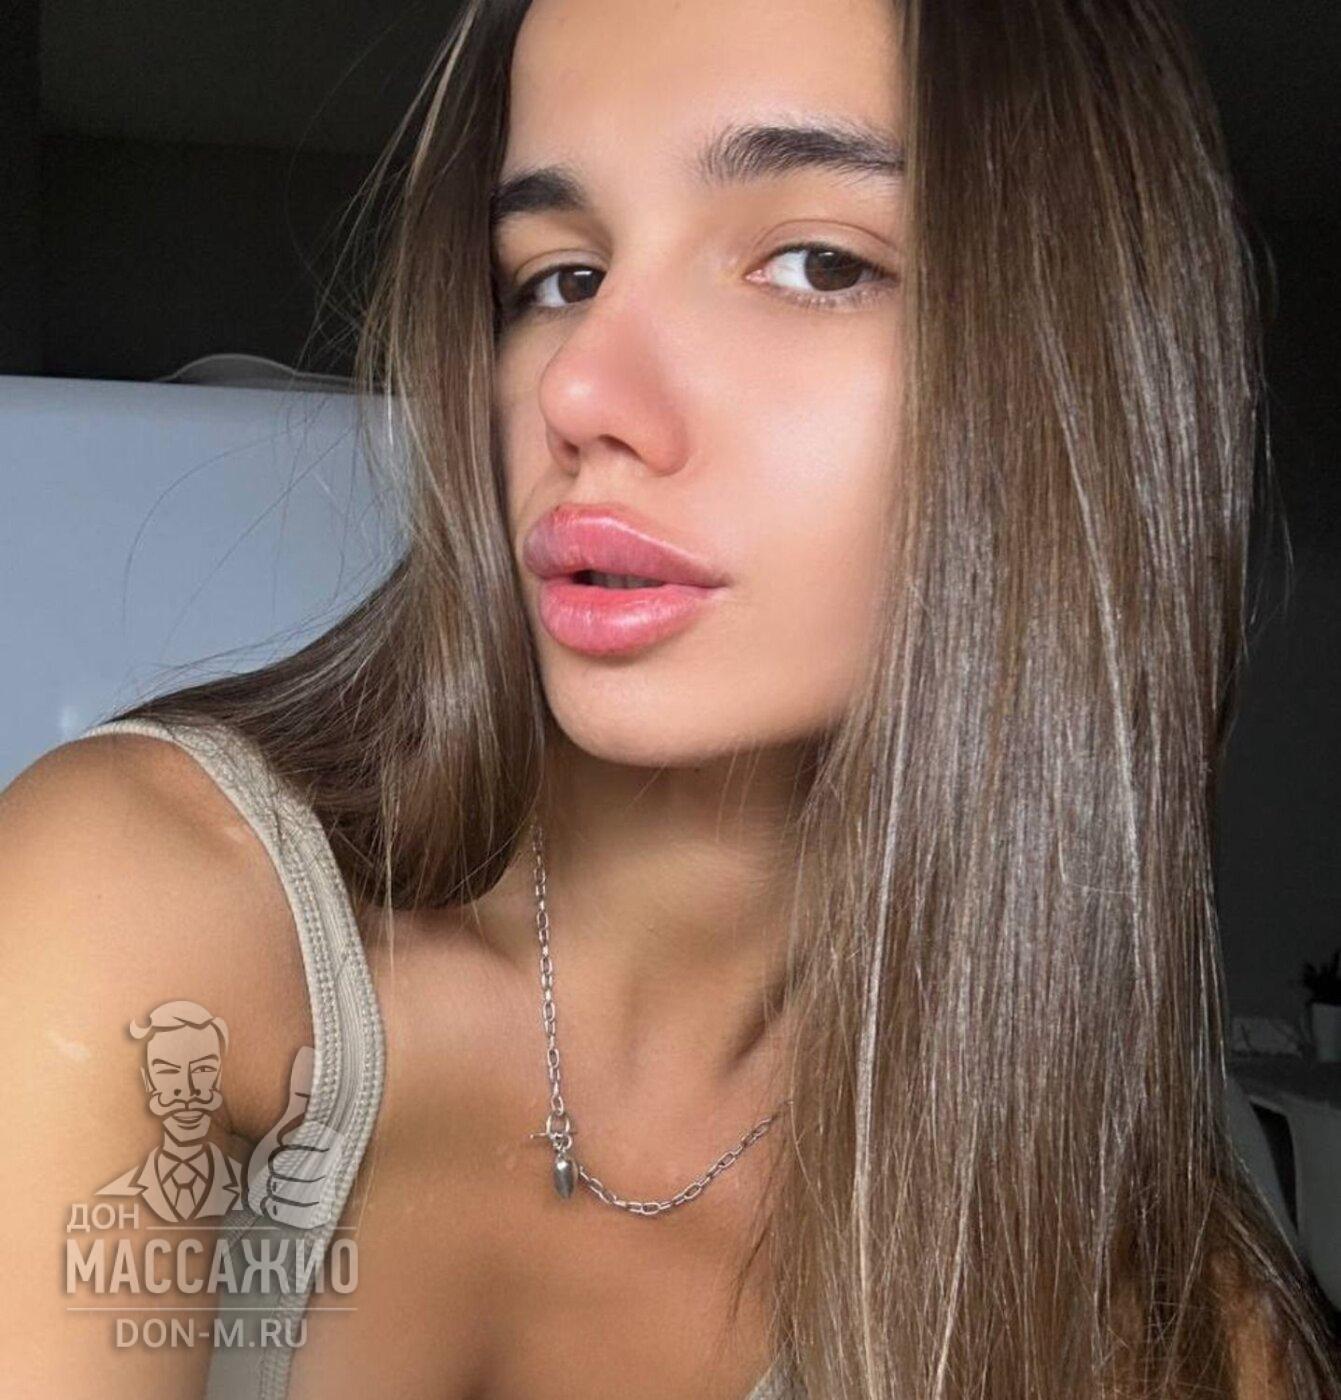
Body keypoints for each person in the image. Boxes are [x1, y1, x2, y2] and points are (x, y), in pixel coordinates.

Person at [3, 0, 1338, 1395]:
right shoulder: (138, 901)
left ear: (1082, 380)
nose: (579, 391)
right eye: (558, 276)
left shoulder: (1165, 1330)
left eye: (816, 263)